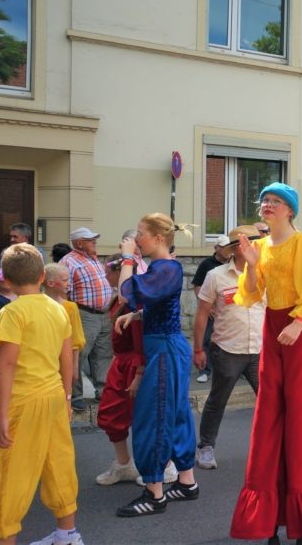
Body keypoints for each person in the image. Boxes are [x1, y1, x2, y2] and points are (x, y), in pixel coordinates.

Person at [231, 183, 302, 544]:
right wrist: (249, 264)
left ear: (290, 210)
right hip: (273, 329)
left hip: (300, 328)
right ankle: (270, 519)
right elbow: (251, 293)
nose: (268, 205)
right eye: (265, 200)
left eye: (276, 202)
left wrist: (297, 322)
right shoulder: (260, 246)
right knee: (268, 419)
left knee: (301, 420)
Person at [0, 243, 81, 545]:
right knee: (59, 463)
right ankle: (68, 534)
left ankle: (6, 539)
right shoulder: (58, 308)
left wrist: (0, 416)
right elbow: (68, 360)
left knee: (8, 475)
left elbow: (7, 365)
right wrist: (67, 398)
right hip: (54, 395)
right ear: (42, 276)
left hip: (23, 401)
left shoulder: (11, 311)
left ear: (6, 281)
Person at [111, 214, 199, 517]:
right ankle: (186, 482)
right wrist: (136, 317)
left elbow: (126, 293)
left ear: (159, 238)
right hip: (167, 346)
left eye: (141, 235)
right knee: (174, 414)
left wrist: (126, 257)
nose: (137, 240)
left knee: (154, 417)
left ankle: (154, 493)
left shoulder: (166, 267)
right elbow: (163, 308)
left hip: (165, 350)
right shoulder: (167, 268)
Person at [193, 225, 265, 470]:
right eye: (251, 243)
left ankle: (273, 448)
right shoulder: (216, 275)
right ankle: (205, 447)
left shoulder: (265, 274)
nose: (257, 247)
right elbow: (202, 314)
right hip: (226, 351)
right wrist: (198, 349)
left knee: (271, 402)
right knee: (217, 401)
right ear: (236, 249)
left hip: (260, 351)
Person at [94, 256, 146, 486]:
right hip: (120, 365)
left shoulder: (133, 301)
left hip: (134, 365)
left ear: (119, 273)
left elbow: (140, 340)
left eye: (108, 272)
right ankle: (124, 464)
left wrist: (138, 374)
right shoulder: (118, 299)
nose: (105, 276)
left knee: (145, 418)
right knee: (110, 415)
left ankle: (164, 465)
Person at [61, 228, 115, 412]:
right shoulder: (68, 262)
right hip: (84, 314)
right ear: (79, 243)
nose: (95, 242)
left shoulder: (94, 259)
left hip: (104, 314)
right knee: (78, 355)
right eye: (91, 240)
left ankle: (103, 391)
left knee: (104, 354)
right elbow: (63, 292)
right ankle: (75, 395)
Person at [191, 234, 232, 383]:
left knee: (231, 339)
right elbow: (197, 286)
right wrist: (206, 307)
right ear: (216, 248)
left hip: (229, 310)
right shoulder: (207, 264)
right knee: (207, 339)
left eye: (229, 247)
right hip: (211, 311)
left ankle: (236, 370)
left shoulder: (235, 262)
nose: (227, 250)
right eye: (223, 247)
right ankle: (204, 370)